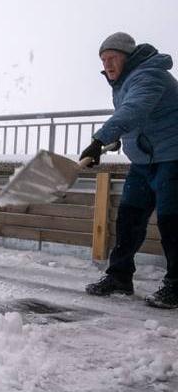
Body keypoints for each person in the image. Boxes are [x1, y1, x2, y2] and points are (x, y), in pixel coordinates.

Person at [81, 32, 178, 309]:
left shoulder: (149, 75)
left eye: (112, 58)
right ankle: (120, 277)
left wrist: (98, 140)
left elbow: (134, 110)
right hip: (144, 162)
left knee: (172, 222)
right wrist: (110, 142)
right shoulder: (125, 83)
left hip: (173, 157)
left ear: (128, 57)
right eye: (103, 59)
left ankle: (176, 285)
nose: (107, 64)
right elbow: (138, 121)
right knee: (129, 219)